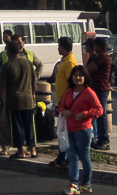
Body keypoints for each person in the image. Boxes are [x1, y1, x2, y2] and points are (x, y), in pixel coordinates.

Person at [58, 64, 103, 194]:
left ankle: (86, 184)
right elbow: (61, 107)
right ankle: (74, 185)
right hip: (69, 131)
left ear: (85, 77)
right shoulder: (69, 92)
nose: (78, 78)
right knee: (72, 158)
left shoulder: (89, 92)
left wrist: (85, 114)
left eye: (80, 75)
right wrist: (64, 111)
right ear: (71, 77)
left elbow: (99, 110)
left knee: (84, 158)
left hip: (83, 131)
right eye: (75, 75)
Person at [0, 38, 39, 161]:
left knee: (16, 126)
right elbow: (34, 79)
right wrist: (33, 94)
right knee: (29, 125)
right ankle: (33, 150)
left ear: (9, 52)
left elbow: (2, 86)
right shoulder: (28, 62)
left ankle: (20, 151)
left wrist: (0, 100)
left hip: (14, 101)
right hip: (28, 99)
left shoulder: (6, 66)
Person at [48, 36, 79, 168]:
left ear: (63, 47)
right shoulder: (64, 61)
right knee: (62, 131)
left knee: (65, 131)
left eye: (59, 46)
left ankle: (66, 157)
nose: (58, 48)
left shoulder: (70, 63)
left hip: (67, 102)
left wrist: (66, 101)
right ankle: (62, 156)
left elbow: (72, 84)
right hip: (62, 100)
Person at [86, 37, 112, 151]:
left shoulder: (102, 56)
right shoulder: (102, 57)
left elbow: (89, 68)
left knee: (102, 115)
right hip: (98, 88)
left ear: (100, 46)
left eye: (95, 46)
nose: (94, 48)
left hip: (101, 88)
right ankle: (100, 139)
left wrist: (92, 69)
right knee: (99, 115)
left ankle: (104, 140)